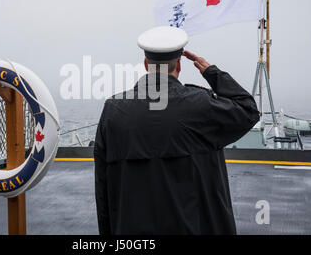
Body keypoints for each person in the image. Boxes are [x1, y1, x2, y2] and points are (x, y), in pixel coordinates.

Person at [94, 26, 260, 235]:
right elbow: (249, 110)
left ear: (146, 64)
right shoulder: (201, 105)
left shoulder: (113, 110)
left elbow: (103, 183)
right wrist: (212, 73)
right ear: (179, 64)